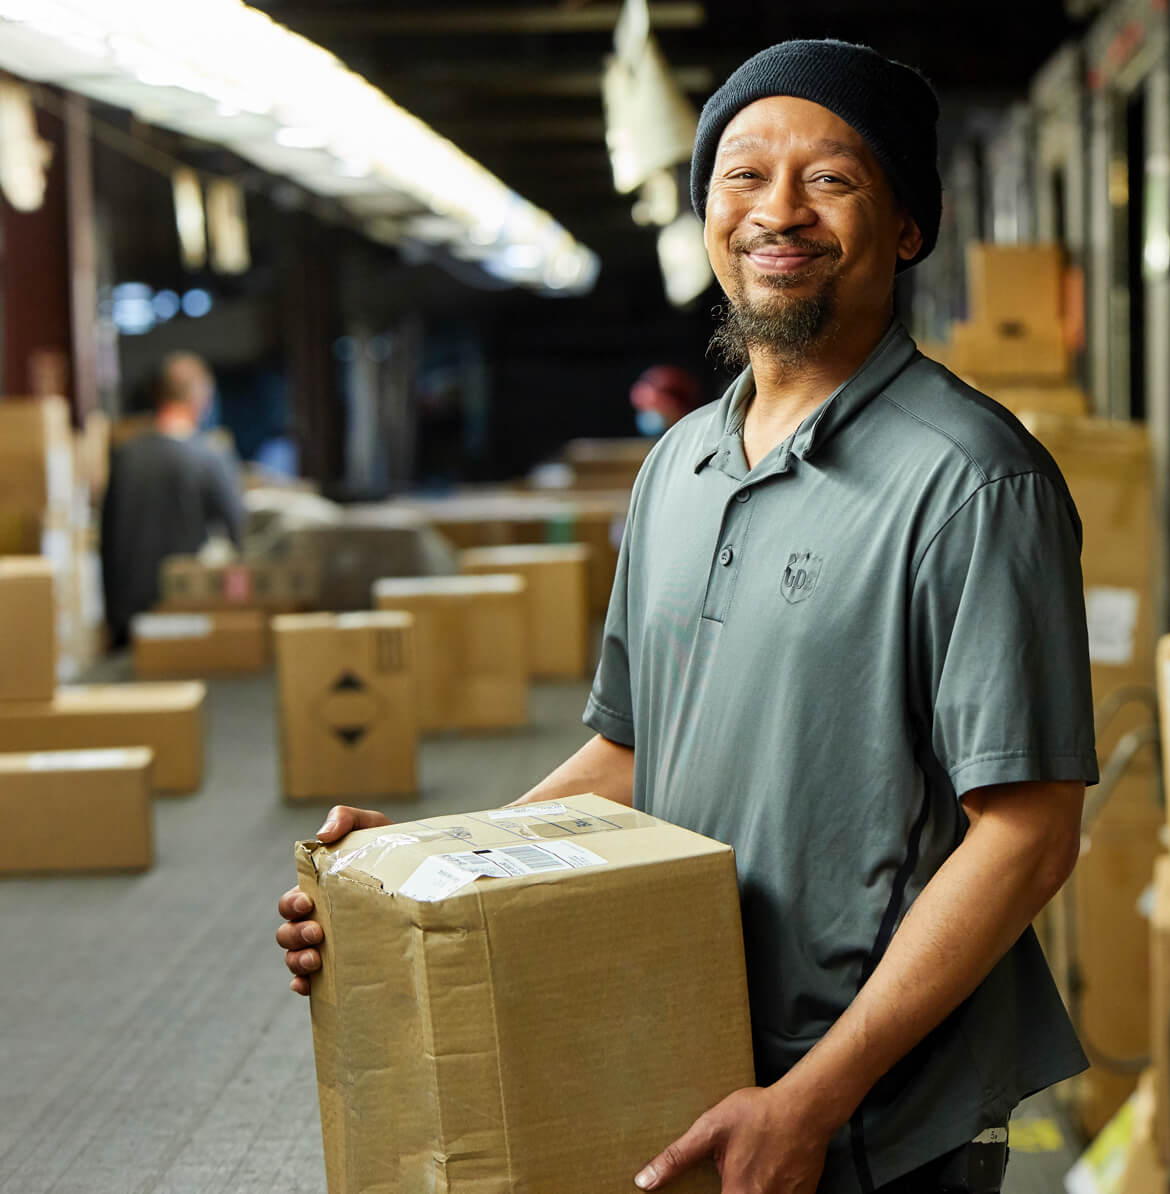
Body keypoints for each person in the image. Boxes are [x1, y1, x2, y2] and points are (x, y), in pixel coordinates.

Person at [277, 39, 1097, 1194]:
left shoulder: (971, 481)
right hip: (680, 1055)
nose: (779, 212)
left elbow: (1028, 833)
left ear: (908, 226)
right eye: (743, 176)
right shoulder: (679, 469)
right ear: (708, 213)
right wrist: (418, 885)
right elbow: (631, 749)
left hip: (872, 1117)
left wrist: (810, 1099)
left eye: (831, 178)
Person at [101, 351, 244, 646]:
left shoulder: (125, 456)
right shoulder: (209, 457)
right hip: (186, 615)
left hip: (129, 619)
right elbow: (238, 535)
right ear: (201, 397)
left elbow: (107, 540)